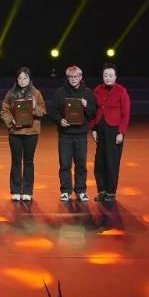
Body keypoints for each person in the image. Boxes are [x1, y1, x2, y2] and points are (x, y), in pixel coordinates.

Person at [47, 65, 96, 203]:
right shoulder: (60, 93)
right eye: (70, 77)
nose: (73, 79)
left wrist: (86, 105)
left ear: (80, 77)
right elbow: (52, 109)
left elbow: (93, 113)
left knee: (81, 165)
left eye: (75, 77)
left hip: (81, 135)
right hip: (65, 135)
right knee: (65, 164)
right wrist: (60, 120)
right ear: (67, 78)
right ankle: (65, 191)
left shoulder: (88, 93)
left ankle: (81, 190)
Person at [0, 67, 46, 202]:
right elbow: (4, 110)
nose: (22, 81)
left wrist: (34, 107)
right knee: (16, 161)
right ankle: (15, 190)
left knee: (28, 161)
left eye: (25, 78)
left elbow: (43, 111)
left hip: (31, 132)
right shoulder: (11, 93)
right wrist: (11, 120)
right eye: (20, 78)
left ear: (29, 79)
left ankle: (27, 191)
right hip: (15, 132)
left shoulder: (36, 93)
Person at [91, 63, 131, 204]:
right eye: (105, 75)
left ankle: (111, 192)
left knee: (111, 161)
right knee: (99, 162)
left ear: (115, 77)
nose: (107, 78)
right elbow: (93, 111)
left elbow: (126, 114)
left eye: (110, 75)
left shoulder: (121, 91)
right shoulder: (97, 90)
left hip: (114, 130)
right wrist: (93, 129)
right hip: (100, 129)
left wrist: (121, 132)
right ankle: (102, 191)